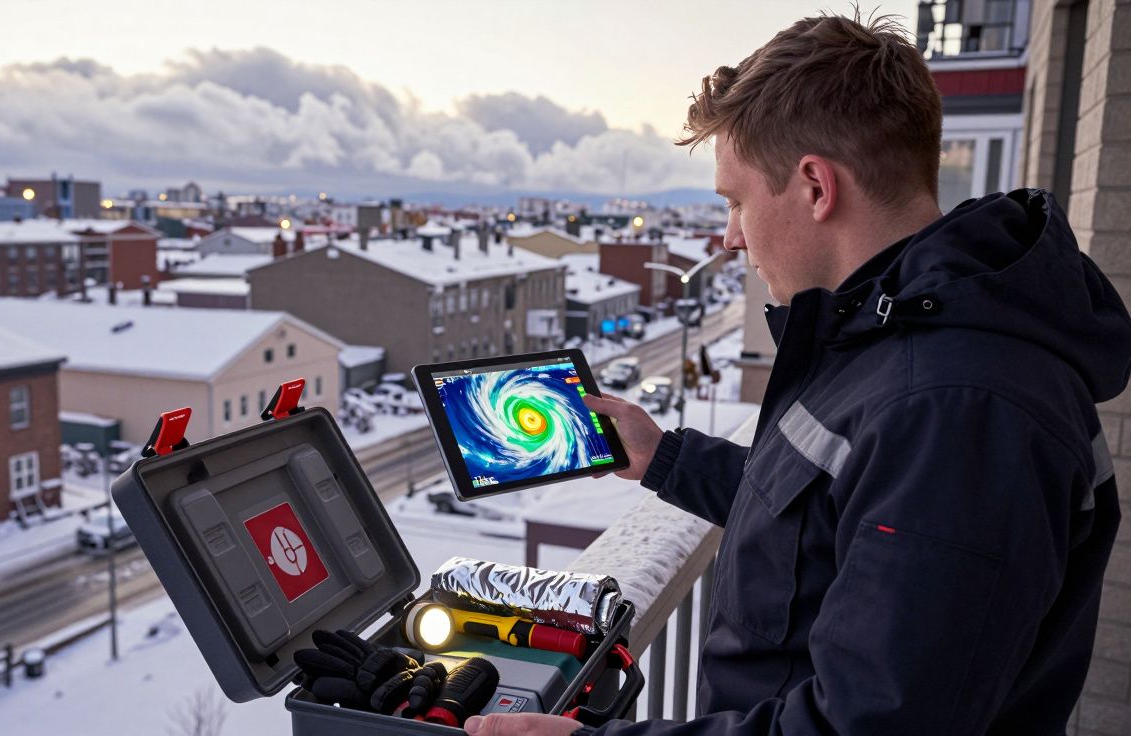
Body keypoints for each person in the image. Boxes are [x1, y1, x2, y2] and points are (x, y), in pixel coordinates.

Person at [465, 11, 1131, 736]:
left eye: (736, 200)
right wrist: (666, 458)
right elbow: (832, 515)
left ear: (816, 186)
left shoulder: (956, 407)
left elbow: (870, 725)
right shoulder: (899, 339)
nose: (728, 237)